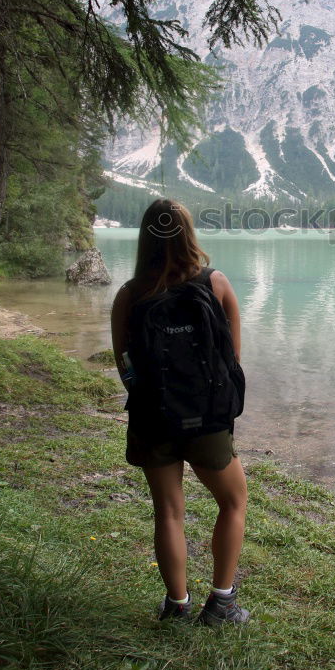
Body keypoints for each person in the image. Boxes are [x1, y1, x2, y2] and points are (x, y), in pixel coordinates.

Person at [110, 198, 249, 625]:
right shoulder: (217, 283)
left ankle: (177, 605)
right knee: (233, 500)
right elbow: (233, 361)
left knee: (168, 510)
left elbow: (125, 366)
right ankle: (222, 602)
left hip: (154, 418)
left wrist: (156, 400)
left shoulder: (129, 295)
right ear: (189, 233)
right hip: (206, 420)